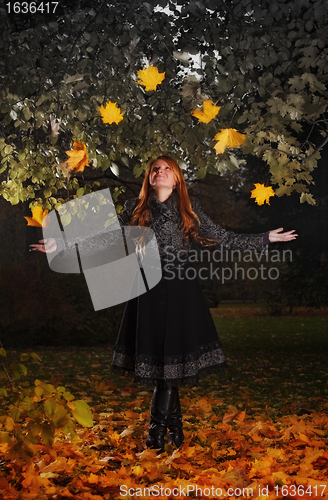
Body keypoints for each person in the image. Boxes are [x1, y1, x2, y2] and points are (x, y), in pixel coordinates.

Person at [30, 155, 297, 452]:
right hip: (148, 290)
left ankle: (155, 435)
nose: (160, 172)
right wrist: (64, 245)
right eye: (155, 169)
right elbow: (105, 239)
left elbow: (223, 237)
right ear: (149, 177)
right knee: (163, 363)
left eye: (166, 168)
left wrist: (265, 238)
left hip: (181, 290)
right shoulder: (135, 209)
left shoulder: (188, 210)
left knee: (169, 364)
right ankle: (176, 430)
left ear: (177, 178)